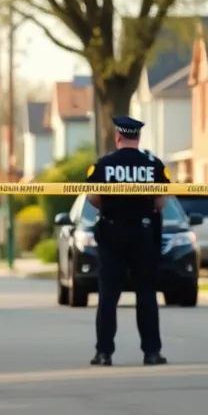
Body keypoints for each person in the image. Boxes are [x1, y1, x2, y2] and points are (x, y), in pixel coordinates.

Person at [85, 115, 170, 367]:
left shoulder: (103, 165)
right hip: (144, 237)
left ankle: (104, 352)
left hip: (112, 236)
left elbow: (93, 198)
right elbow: (160, 202)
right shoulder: (154, 166)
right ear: (138, 137)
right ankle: (152, 353)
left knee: (108, 297)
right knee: (146, 295)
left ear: (118, 136)